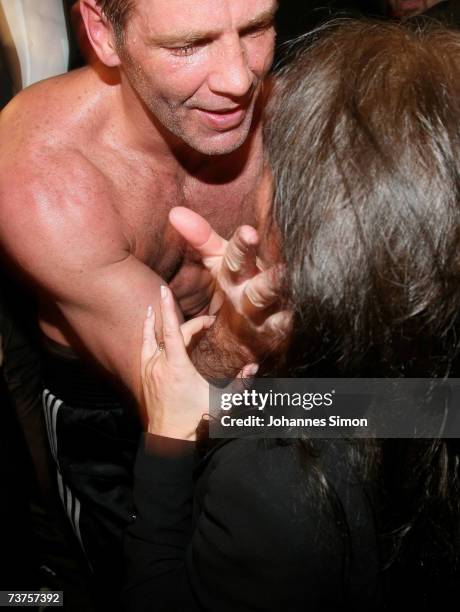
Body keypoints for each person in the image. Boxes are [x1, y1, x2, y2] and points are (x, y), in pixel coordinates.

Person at [124, 19, 460, 610]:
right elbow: (356, 411)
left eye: (275, 157)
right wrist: (229, 377)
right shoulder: (418, 384)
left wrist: (168, 441)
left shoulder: (271, 486)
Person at [0, 0, 282, 598]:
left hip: (265, 387)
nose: (239, 79)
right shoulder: (40, 171)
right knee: (124, 579)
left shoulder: (291, 116)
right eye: (188, 45)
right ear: (103, 33)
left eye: (256, 28)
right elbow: (172, 397)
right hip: (111, 421)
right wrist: (248, 335)